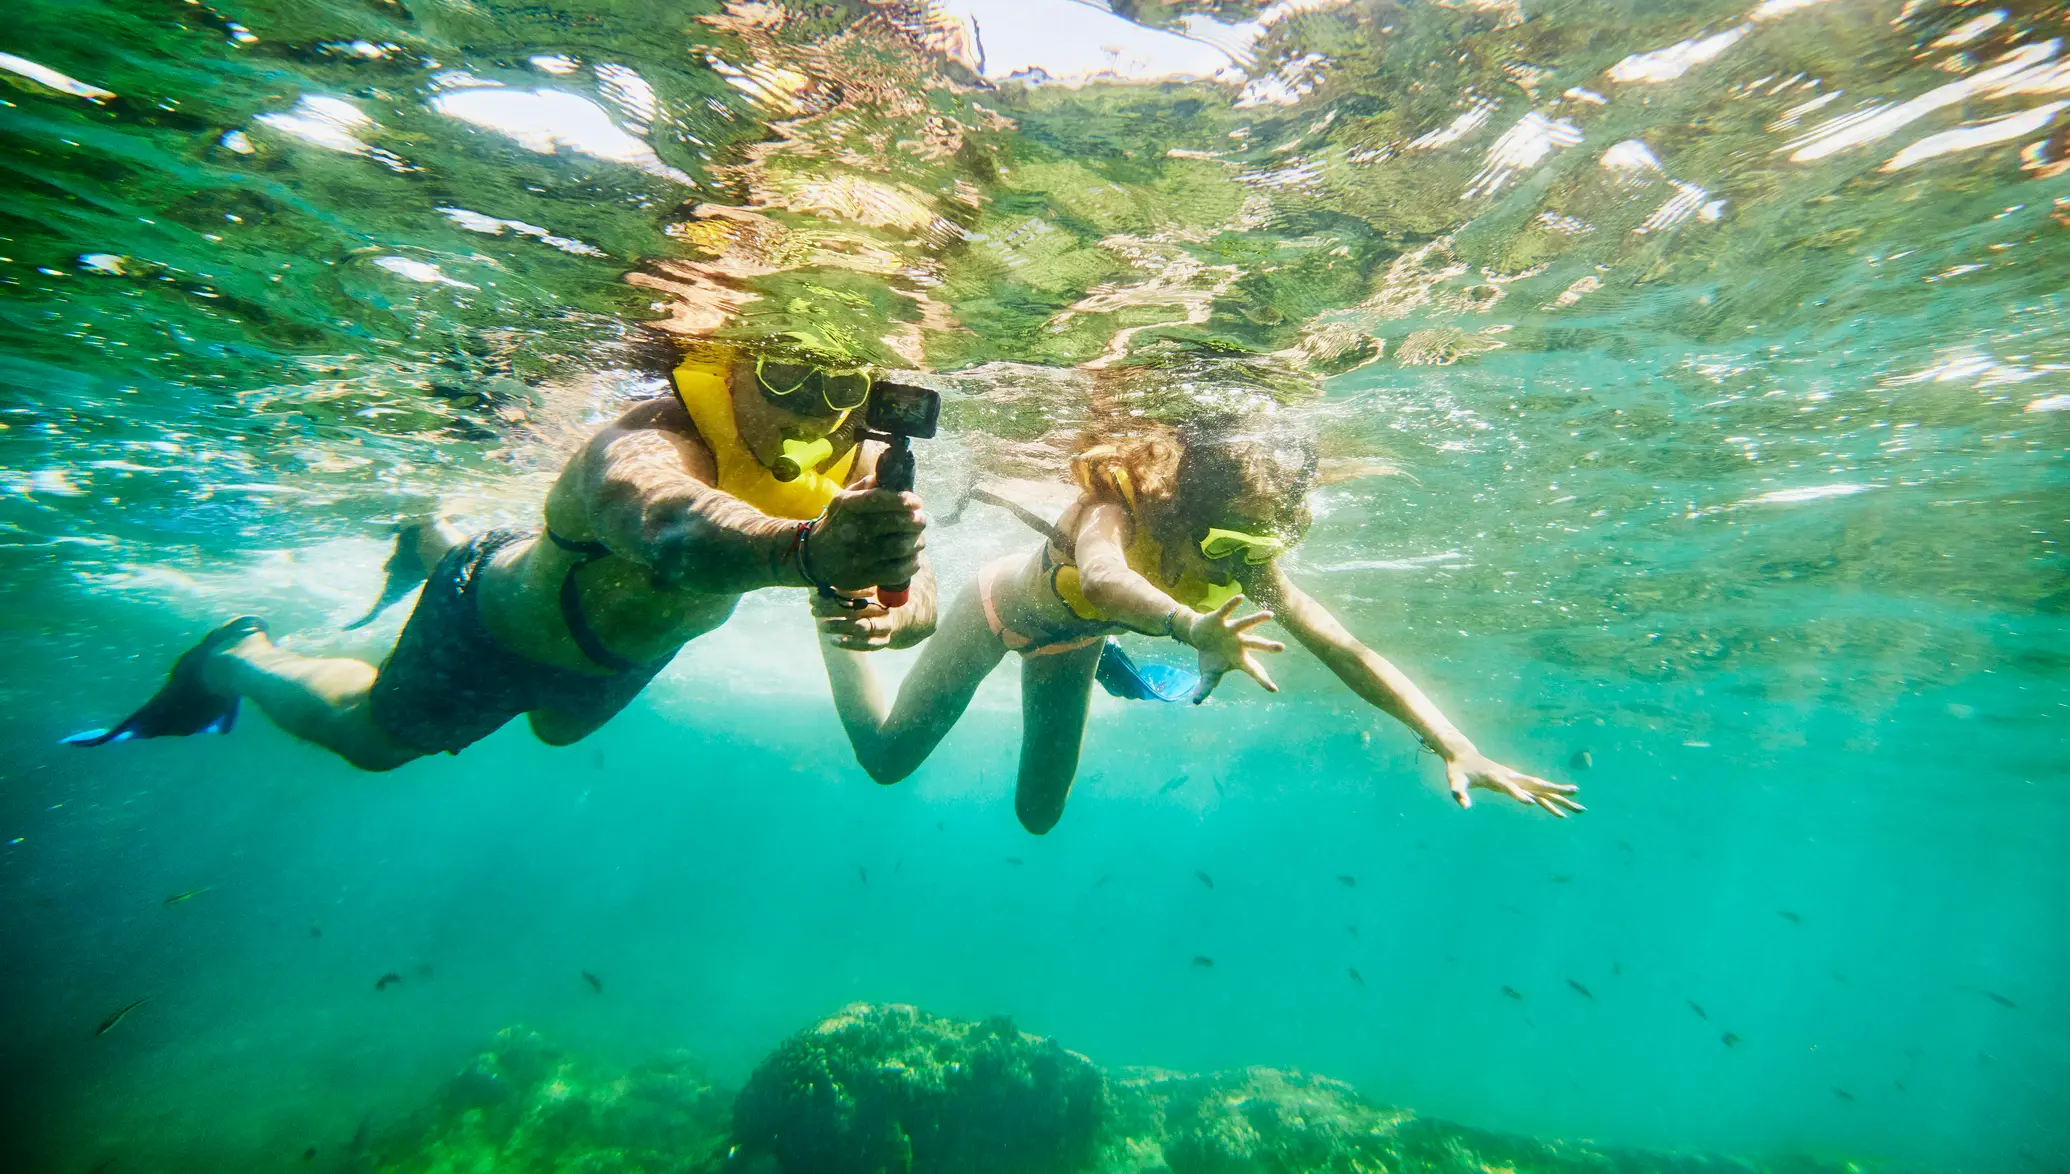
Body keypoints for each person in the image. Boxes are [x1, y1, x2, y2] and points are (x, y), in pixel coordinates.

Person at [64, 344, 936, 768]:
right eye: (788, 373)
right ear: (728, 365)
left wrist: (893, 612)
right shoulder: (646, 437)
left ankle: (435, 539)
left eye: (840, 386)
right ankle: (237, 656)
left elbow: (921, 594)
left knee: (558, 733)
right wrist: (808, 553)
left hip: (612, 666)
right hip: (495, 626)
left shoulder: (856, 463)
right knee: (374, 741)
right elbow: (674, 530)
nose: (815, 410)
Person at [818, 427, 1582, 833]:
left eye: (1259, 550)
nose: (1242, 565)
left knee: (1038, 817)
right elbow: (1109, 579)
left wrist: (1455, 743)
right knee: (887, 758)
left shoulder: (1243, 556)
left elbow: (1345, 647)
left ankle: (1091, 654)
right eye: (1226, 545)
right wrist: (1191, 627)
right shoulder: (1119, 512)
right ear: (1185, 513)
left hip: (1074, 644)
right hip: (997, 613)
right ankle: (830, 626)